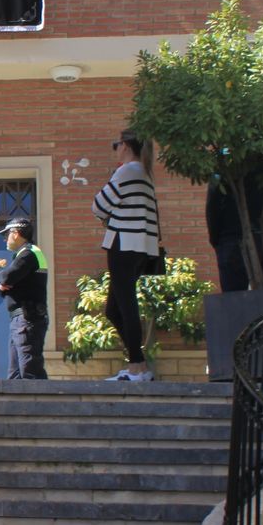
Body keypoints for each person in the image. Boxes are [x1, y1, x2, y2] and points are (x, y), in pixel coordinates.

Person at [93, 129, 160, 382]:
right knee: (114, 308)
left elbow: (98, 205)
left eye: (116, 145)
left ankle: (136, 367)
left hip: (123, 243)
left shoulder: (127, 171)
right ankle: (138, 364)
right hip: (141, 246)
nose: (115, 150)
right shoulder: (145, 173)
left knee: (126, 305)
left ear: (125, 145)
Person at [0, 219, 48, 379]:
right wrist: (3, 284)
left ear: (15, 233)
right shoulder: (24, 255)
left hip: (27, 319)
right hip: (21, 320)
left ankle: (38, 403)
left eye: (6, 235)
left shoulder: (29, 253)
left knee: (30, 371)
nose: (5, 239)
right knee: (15, 373)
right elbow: (7, 284)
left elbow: (6, 277)